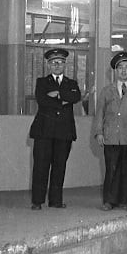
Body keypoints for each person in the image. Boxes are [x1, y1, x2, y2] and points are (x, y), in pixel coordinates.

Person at [28, 47, 82, 210]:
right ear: (48, 65)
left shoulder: (72, 83)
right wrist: (64, 99)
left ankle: (56, 200)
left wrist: (57, 94)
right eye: (53, 63)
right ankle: (37, 201)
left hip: (64, 132)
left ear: (65, 64)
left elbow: (76, 97)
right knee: (41, 167)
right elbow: (42, 100)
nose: (57, 65)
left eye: (60, 62)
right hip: (44, 131)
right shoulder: (41, 82)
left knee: (60, 166)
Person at [92, 51, 127, 210]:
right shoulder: (106, 91)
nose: (123, 71)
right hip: (111, 136)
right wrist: (99, 132)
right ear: (115, 71)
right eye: (120, 67)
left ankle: (124, 200)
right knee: (111, 169)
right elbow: (99, 113)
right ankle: (108, 201)